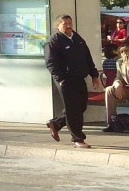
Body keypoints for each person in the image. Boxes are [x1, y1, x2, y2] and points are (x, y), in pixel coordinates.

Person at [43, 14, 101, 149]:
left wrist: (94, 75)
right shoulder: (53, 42)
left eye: (70, 23)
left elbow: (87, 57)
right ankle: (77, 138)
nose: (69, 26)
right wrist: (61, 79)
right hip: (65, 80)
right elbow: (51, 63)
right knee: (73, 109)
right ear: (58, 25)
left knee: (81, 106)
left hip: (79, 78)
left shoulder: (78, 38)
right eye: (65, 24)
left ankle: (56, 123)